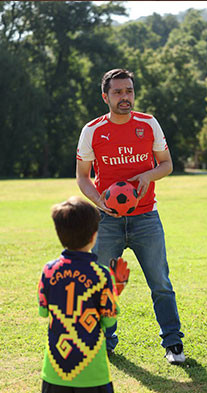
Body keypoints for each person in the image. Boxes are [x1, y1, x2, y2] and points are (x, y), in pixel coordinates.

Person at [76, 68, 185, 364]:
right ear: (105, 97)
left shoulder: (149, 124)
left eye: (129, 91)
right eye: (118, 92)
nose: (125, 97)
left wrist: (147, 175)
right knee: (102, 285)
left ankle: (173, 344)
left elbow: (166, 164)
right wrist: (100, 200)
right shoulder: (92, 130)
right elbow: (83, 177)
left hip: (146, 218)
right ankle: (105, 342)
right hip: (107, 220)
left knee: (161, 284)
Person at [38, 197, 129, 393]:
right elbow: (109, 319)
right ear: (94, 234)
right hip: (92, 366)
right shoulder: (102, 275)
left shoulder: (48, 271)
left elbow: (44, 310)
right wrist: (115, 288)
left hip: (57, 365)